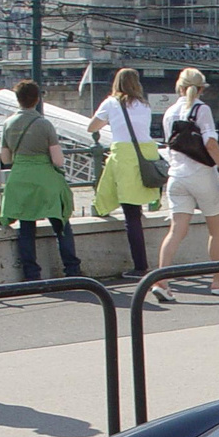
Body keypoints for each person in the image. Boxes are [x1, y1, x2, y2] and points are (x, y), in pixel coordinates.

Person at [152, 68, 219, 302]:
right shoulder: (202, 109)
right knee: (216, 230)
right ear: (201, 89)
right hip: (202, 175)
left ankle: (161, 281)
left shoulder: (169, 112)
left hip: (176, 177)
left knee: (176, 231)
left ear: (178, 86)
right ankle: (218, 282)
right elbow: (210, 144)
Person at [0, 78, 81, 283]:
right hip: (45, 179)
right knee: (61, 223)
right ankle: (72, 270)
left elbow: (6, 159)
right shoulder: (44, 124)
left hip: (20, 178)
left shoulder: (8, 124)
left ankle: (31, 274)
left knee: (26, 227)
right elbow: (58, 160)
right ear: (37, 99)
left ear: (17, 99)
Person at [87, 68, 159, 280]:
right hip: (145, 155)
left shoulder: (111, 103)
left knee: (131, 214)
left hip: (125, 158)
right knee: (135, 207)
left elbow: (92, 127)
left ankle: (140, 267)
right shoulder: (145, 105)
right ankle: (152, 203)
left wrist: (110, 121)